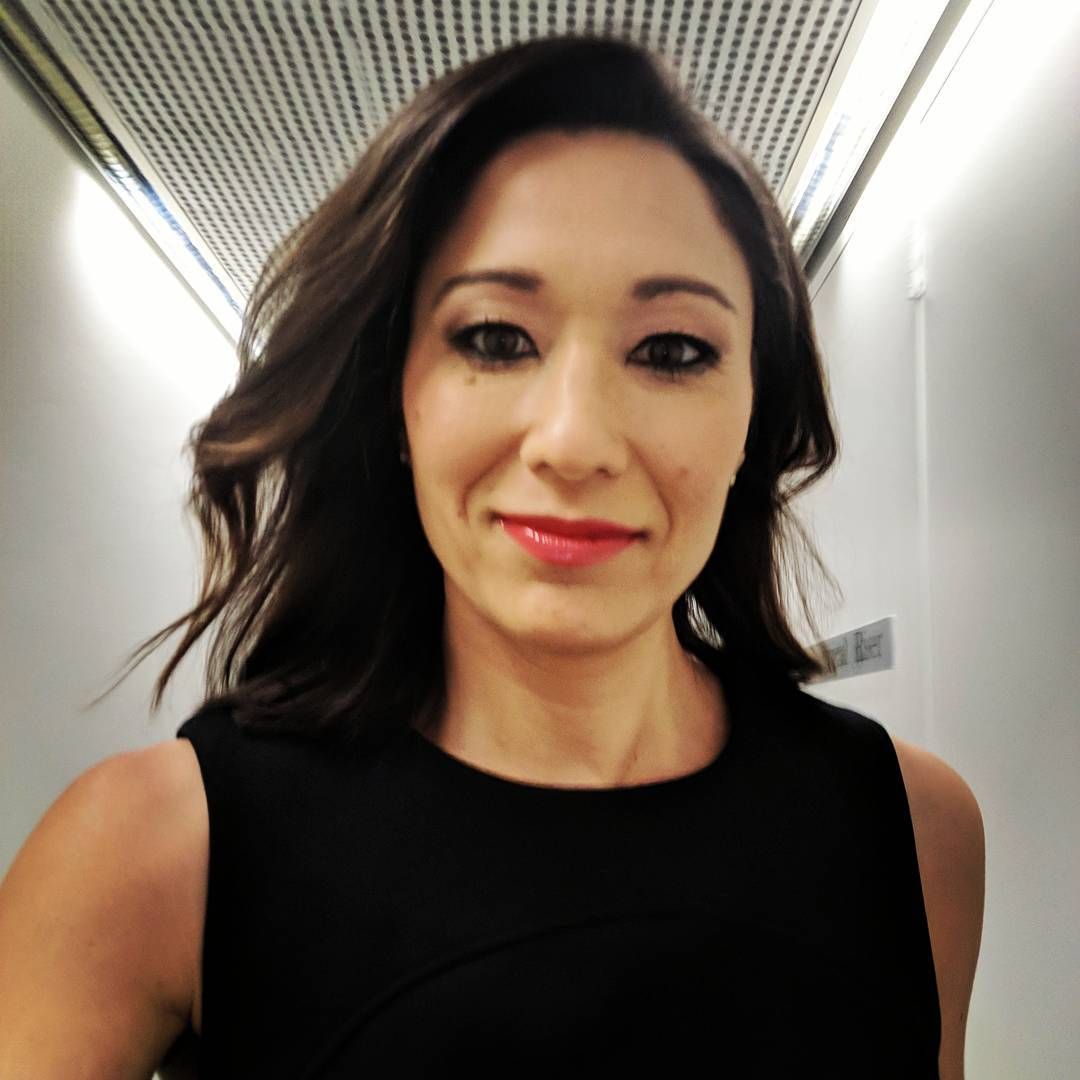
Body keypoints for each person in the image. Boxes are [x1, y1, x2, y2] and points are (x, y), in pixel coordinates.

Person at [0, 33, 984, 1079]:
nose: (575, 441)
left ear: (754, 415)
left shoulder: (913, 830)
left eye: (672, 351)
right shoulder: (154, 854)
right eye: (494, 338)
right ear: (395, 398)